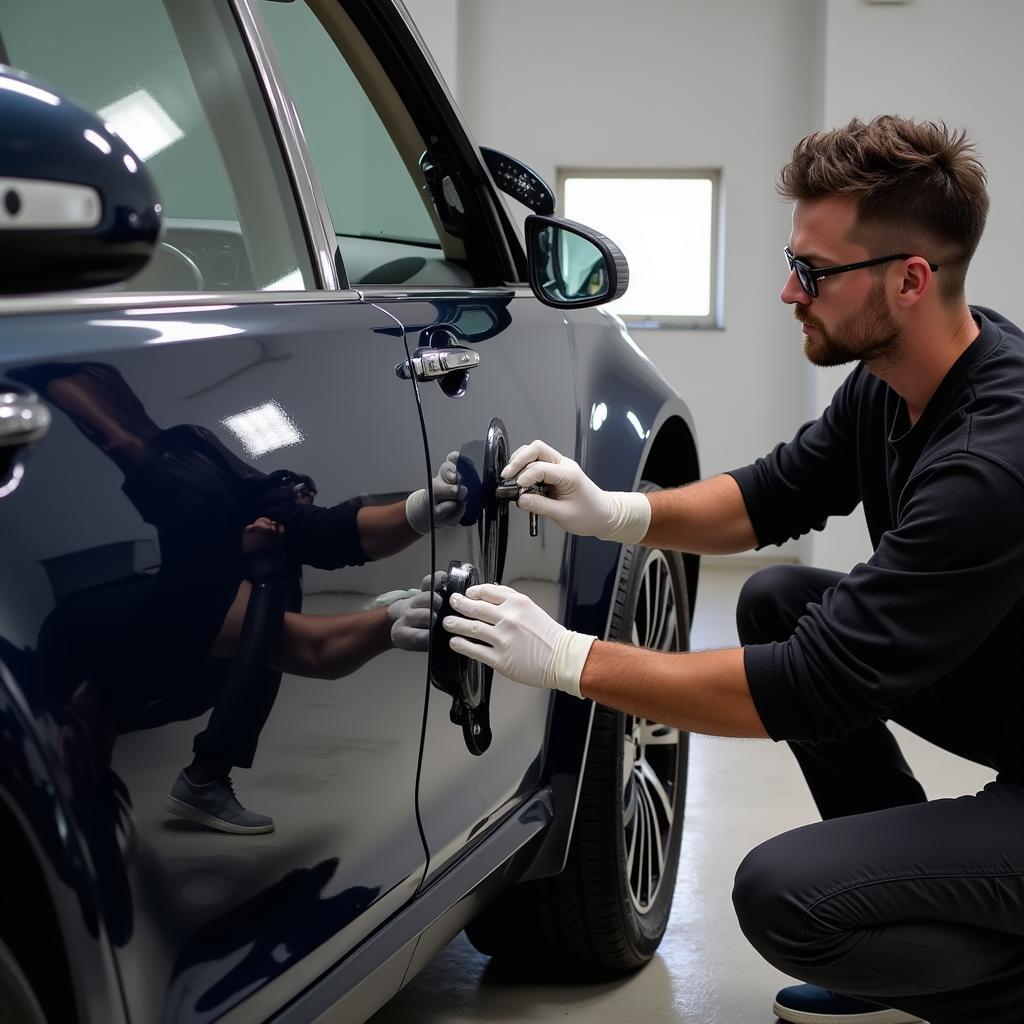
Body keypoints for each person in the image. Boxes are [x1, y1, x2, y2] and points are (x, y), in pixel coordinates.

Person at [441, 115, 1024, 1024]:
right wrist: (621, 512)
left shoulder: (993, 463)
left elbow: (810, 687)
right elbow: (771, 496)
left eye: (815, 272)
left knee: (785, 896)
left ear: (911, 280)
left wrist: (569, 660)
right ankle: (909, 934)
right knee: (781, 599)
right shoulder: (899, 376)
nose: (789, 291)